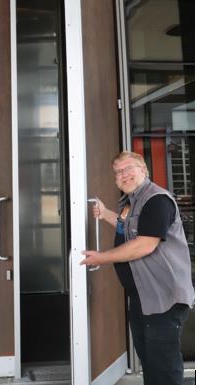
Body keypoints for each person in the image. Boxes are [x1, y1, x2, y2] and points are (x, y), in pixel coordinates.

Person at [80, 151, 194, 385]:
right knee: (150, 365)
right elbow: (127, 228)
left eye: (129, 168)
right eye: (118, 172)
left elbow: (144, 245)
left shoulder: (156, 200)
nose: (124, 174)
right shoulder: (131, 202)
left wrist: (101, 258)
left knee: (163, 369)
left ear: (144, 170)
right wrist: (105, 214)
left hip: (164, 298)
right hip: (143, 297)